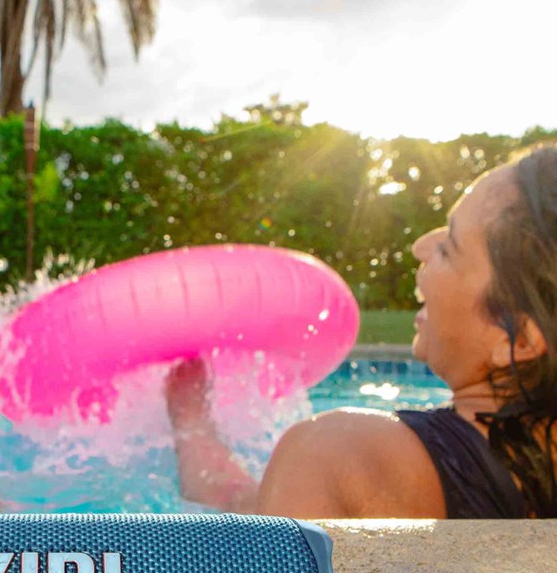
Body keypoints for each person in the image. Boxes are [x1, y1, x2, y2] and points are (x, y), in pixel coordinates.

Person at [165, 144, 557, 519]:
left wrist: (189, 417)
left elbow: (240, 505)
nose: (421, 246)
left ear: (519, 339)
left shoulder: (337, 458)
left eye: (449, 246)